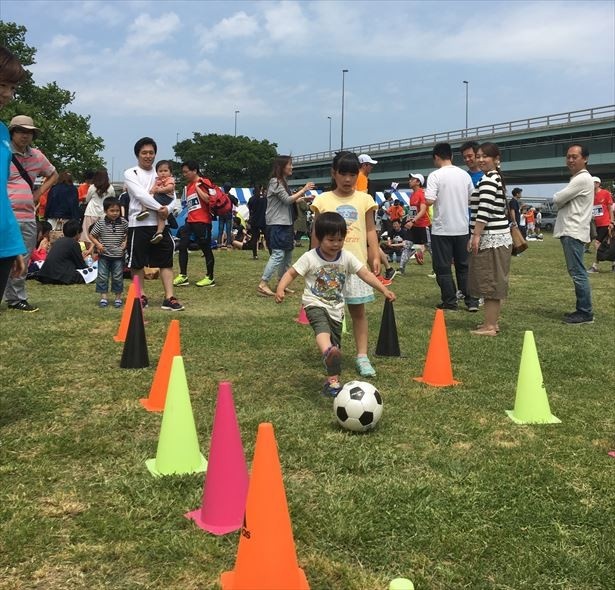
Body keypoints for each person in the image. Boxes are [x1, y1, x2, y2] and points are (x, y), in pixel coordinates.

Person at [275, 212, 395, 396]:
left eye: (340, 239)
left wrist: (383, 289)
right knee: (322, 330)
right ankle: (327, 350)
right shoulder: (310, 257)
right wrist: (281, 288)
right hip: (314, 302)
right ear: (320, 238)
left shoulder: (346, 257)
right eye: (331, 240)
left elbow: (365, 274)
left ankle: (333, 383)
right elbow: (292, 273)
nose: (336, 244)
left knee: (336, 349)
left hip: (336, 308)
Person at [311, 151, 380, 378]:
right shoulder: (322, 201)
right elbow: (315, 234)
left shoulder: (365, 199)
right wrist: (314, 261)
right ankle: (332, 353)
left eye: (353, 174)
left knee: (358, 312)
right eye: (343, 174)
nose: (348, 179)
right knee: (331, 315)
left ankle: (362, 356)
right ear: (334, 173)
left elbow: (370, 228)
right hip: (330, 268)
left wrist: (375, 254)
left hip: (357, 266)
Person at [5, 114, 58, 312]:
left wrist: (38, 193)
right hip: (5, 215)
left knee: (24, 259)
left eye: (29, 132)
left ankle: (16, 298)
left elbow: (53, 174)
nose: (25, 136)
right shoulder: (3, 152)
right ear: (12, 132)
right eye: (21, 131)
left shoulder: (37, 155)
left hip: (27, 216)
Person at [124, 137, 184, 310]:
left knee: (166, 260)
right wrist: (160, 208)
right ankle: (140, 295)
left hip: (160, 223)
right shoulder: (131, 173)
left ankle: (169, 297)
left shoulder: (161, 173)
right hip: (139, 223)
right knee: (137, 262)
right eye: (144, 152)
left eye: (151, 152)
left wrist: (168, 210)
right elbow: (140, 195)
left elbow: (174, 196)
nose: (148, 156)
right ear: (138, 154)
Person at [425, 142, 478, 312]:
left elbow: (429, 200)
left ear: (436, 157)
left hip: (442, 229)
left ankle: (450, 301)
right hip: (462, 227)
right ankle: (471, 301)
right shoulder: (464, 175)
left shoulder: (435, 175)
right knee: (464, 266)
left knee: (443, 267)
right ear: (452, 157)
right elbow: (472, 199)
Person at [467, 142, 512, 336]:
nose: (480, 159)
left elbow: (483, 211)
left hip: (491, 238)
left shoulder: (487, 181)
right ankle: (491, 322)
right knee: (493, 281)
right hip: (499, 237)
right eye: (479, 156)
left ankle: (490, 326)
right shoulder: (496, 179)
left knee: (490, 282)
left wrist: (475, 235)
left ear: (496, 159)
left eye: (485, 156)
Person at [257, 156, 314, 297]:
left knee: (288, 254)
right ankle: (263, 284)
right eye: (290, 164)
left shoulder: (282, 182)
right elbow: (287, 200)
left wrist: (303, 198)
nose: (292, 167)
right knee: (278, 254)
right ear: (282, 166)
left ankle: (281, 283)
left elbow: (287, 200)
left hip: (286, 223)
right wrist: (304, 189)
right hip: (277, 224)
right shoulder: (275, 182)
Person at [553, 143, 594, 324]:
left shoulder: (582, 179)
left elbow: (557, 199)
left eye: (574, 157)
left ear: (585, 159)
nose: (570, 160)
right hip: (574, 230)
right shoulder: (580, 179)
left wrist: (561, 202)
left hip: (573, 230)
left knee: (578, 273)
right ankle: (582, 309)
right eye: (568, 156)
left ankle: (585, 312)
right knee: (577, 271)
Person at [0, 48, 27, 302]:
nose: (7, 94)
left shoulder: (2, 133)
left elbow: (2, 194)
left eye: (12, 87)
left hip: (3, 243)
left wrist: (14, 245)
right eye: (2, 84)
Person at [173, 160, 216, 288]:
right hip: (190, 221)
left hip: (202, 222)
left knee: (205, 248)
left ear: (195, 171)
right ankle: (183, 275)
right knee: (182, 245)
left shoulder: (204, 182)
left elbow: (209, 200)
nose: (184, 174)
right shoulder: (189, 186)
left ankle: (210, 277)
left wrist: (198, 189)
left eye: (186, 172)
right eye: (183, 172)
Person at [88, 197, 129, 308]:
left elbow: (129, 232)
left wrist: (125, 242)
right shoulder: (101, 223)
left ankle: (118, 298)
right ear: (105, 211)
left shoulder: (124, 222)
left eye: (117, 210)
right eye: (112, 211)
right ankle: (104, 297)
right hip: (104, 255)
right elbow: (91, 235)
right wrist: (98, 244)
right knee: (102, 276)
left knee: (117, 276)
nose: (115, 213)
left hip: (118, 255)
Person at [136, 160, 177, 244]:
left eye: (165, 171)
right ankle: (159, 232)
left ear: (170, 172)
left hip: (166, 197)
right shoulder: (157, 180)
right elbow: (153, 189)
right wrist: (152, 190)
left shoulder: (170, 179)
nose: (163, 173)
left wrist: (160, 190)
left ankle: (144, 210)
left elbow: (169, 188)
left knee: (147, 199)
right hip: (161, 198)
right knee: (160, 214)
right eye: (160, 171)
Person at [35, 219, 87, 285]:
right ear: (77, 232)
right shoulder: (74, 243)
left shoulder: (58, 241)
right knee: (86, 274)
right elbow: (81, 265)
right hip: (60, 276)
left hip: (46, 275)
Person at [82, 169, 115, 254]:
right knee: (102, 235)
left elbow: (87, 199)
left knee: (87, 234)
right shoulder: (110, 188)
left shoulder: (92, 187)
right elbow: (113, 200)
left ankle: (88, 253)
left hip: (91, 212)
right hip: (104, 214)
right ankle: (99, 253)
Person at [587, 176, 615, 273]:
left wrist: (612, 221)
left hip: (605, 222)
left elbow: (610, 207)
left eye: (594, 182)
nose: (592, 184)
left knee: (597, 243)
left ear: (598, 184)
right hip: (597, 224)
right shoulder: (591, 195)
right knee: (609, 245)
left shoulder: (605, 193)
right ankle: (613, 265)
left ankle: (595, 266)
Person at [404, 172, 430, 264]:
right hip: (415, 225)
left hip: (424, 225)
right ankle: (401, 269)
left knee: (430, 248)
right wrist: (409, 219)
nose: (409, 181)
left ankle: (437, 271)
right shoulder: (412, 195)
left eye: (412, 179)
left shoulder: (422, 193)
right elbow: (413, 211)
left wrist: (412, 221)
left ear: (418, 182)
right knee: (407, 245)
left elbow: (423, 211)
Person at [247, 184, 267, 260]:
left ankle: (255, 255)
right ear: (261, 189)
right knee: (267, 237)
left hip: (254, 220)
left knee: (254, 238)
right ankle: (272, 254)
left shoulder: (251, 199)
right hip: (263, 220)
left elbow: (250, 209)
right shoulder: (265, 199)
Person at [216, 182, 234, 249]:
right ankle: (228, 244)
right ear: (230, 189)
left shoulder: (220, 196)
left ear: (223, 187)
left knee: (220, 229)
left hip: (221, 214)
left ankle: (219, 243)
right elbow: (236, 203)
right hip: (229, 214)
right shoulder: (231, 196)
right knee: (228, 230)